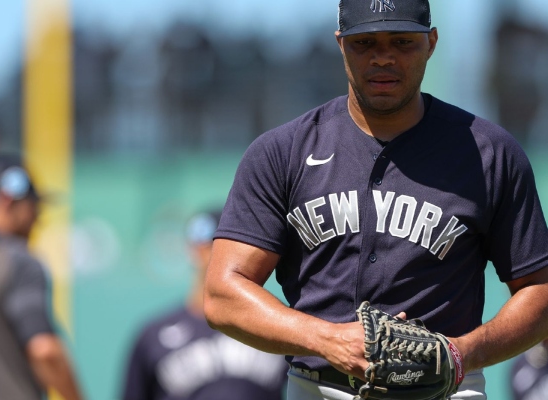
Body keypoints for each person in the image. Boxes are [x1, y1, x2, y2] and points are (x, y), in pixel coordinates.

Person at [202, 1, 548, 399]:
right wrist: (325, 338)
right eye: (365, 42)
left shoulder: (489, 153)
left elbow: (539, 289)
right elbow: (222, 294)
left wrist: (465, 352)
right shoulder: (283, 152)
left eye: (402, 41)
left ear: (431, 43)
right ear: (340, 44)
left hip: (446, 390)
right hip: (319, 386)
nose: (383, 57)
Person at [0, 153, 84, 400]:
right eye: (34, 207)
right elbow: (44, 351)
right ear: (7, 200)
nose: (38, 218)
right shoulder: (17, 263)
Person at [121, 209, 288, 400]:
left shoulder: (277, 322)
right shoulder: (153, 336)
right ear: (194, 249)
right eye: (211, 245)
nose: (215, 253)